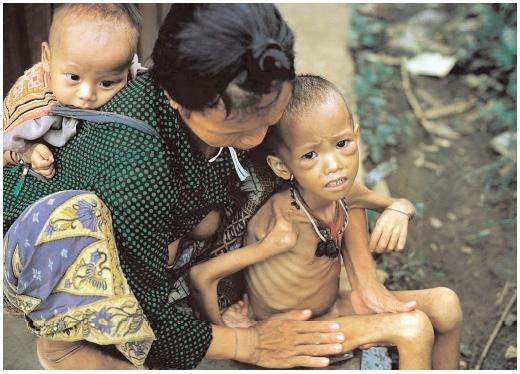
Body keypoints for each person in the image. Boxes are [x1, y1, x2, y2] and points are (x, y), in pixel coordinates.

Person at [4, 4, 430, 370]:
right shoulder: (135, 166)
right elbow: (148, 313)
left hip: (151, 211)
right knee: (103, 258)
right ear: (177, 101)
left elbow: (332, 179)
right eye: (240, 129)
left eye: (270, 114)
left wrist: (387, 225)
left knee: (227, 206)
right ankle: (61, 344)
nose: (260, 137)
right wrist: (252, 343)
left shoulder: (249, 84)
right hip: (44, 240)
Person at [189, 75, 463, 369]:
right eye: (310, 155)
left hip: (331, 307)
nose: (334, 165)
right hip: (295, 329)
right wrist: (230, 337)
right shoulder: (283, 221)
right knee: (414, 329)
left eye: (342, 144)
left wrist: (399, 211)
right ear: (282, 167)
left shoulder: (344, 193)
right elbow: (201, 276)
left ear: (356, 136)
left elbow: (397, 204)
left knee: (447, 304)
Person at [3, 3, 146, 179]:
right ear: (47, 58)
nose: (87, 94)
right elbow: (9, 137)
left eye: (106, 83)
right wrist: (28, 152)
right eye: (74, 77)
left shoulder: (121, 66)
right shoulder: (34, 110)